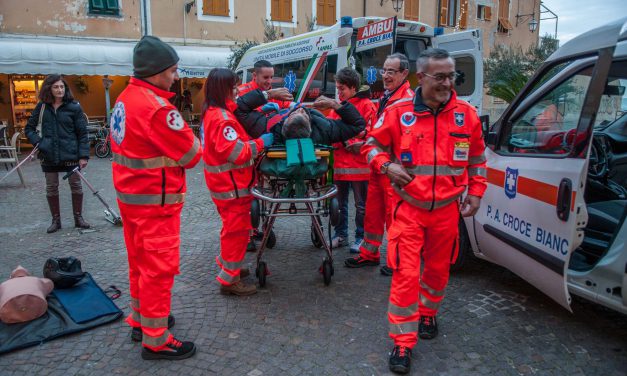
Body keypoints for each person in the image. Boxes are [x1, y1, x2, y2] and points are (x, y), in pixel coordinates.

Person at [366, 48, 487, 374]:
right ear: (422, 77)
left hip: (447, 212)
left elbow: (477, 159)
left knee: (437, 272)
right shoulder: (398, 112)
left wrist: (475, 193)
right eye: (441, 76)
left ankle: (428, 312)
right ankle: (403, 343)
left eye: (452, 76)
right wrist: (386, 165)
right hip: (409, 210)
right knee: (406, 276)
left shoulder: (467, 114)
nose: (448, 82)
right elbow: (371, 146)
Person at [110, 35, 202, 360]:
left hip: (132, 200)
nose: (176, 77)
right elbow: (192, 154)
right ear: (156, 71)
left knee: (139, 264)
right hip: (154, 204)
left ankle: (142, 320)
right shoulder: (156, 108)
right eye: (173, 70)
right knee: (158, 269)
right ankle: (156, 339)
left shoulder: (124, 98)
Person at [202, 68, 274, 297]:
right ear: (222, 89)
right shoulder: (222, 119)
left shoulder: (217, 113)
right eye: (233, 87)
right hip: (231, 187)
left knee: (232, 230)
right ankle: (230, 280)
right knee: (237, 231)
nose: (236, 90)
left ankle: (229, 266)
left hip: (226, 185)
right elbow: (237, 153)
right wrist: (261, 143)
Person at [344, 53, 414, 270]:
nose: (385, 76)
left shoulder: (407, 100)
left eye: (391, 71)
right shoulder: (387, 97)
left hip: (392, 169)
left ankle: (398, 261)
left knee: (395, 218)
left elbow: (405, 138)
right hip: (378, 166)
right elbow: (378, 128)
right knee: (372, 215)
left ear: (404, 73)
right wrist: (366, 139)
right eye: (384, 70)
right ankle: (369, 252)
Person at [236, 60, 293, 252]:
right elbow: (240, 111)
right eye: (265, 77)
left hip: (266, 151)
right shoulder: (243, 92)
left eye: (271, 77)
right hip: (247, 150)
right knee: (247, 193)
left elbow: (287, 106)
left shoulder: (274, 94)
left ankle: (264, 226)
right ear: (255, 76)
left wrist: (294, 108)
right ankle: (248, 233)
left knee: (267, 191)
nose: (269, 81)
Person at [25, 74, 91, 233]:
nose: (60, 89)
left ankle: (78, 218)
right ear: (49, 89)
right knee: (51, 187)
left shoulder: (74, 107)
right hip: (49, 155)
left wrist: (83, 156)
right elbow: (29, 128)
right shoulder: (41, 107)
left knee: (76, 186)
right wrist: (39, 143)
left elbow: (82, 133)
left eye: (62, 86)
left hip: (71, 155)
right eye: (56, 87)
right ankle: (56, 221)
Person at [325, 68, 376, 251]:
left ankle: (361, 237)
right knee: (339, 205)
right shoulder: (337, 108)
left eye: (342, 89)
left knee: (361, 206)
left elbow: (372, 132)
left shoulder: (367, 105)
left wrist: (351, 140)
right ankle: (341, 235)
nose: (339, 93)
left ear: (353, 88)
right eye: (338, 89)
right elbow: (330, 130)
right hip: (340, 165)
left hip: (359, 166)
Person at [235, 90, 366, 147]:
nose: (300, 109)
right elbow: (358, 125)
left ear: (285, 120)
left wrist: (268, 94)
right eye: (303, 113)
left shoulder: (268, 129)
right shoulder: (324, 130)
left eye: (295, 113)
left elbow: (239, 108)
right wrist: (334, 104)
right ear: (310, 123)